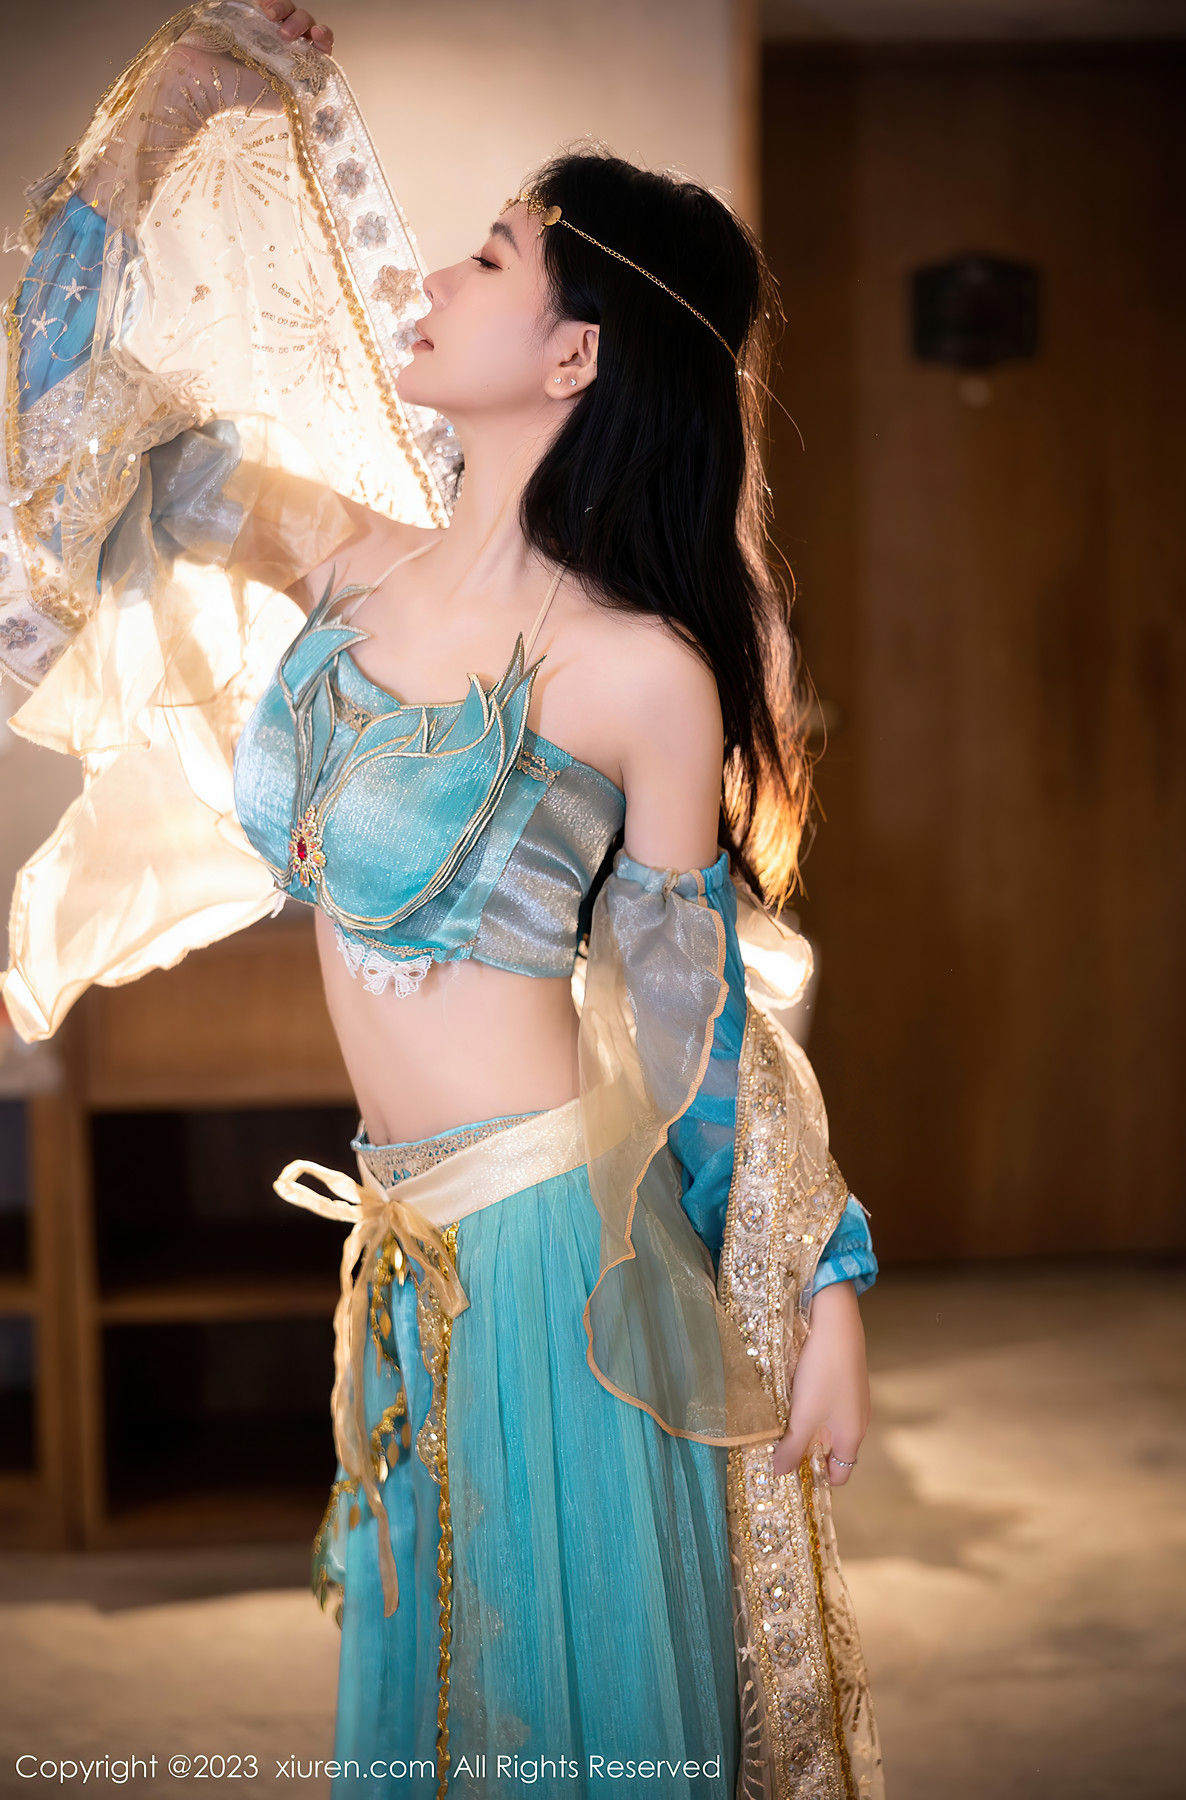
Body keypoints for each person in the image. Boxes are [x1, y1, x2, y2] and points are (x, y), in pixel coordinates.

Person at [0, 4, 884, 1795]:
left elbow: (695, 1021)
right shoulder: (340, 555)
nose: (428, 278)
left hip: (550, 1260)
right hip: (400, 1251)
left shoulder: (641, 674)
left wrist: (827, 1284)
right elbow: (56, 414)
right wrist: (170, 114)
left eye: (488, 256)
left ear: (574, 355)